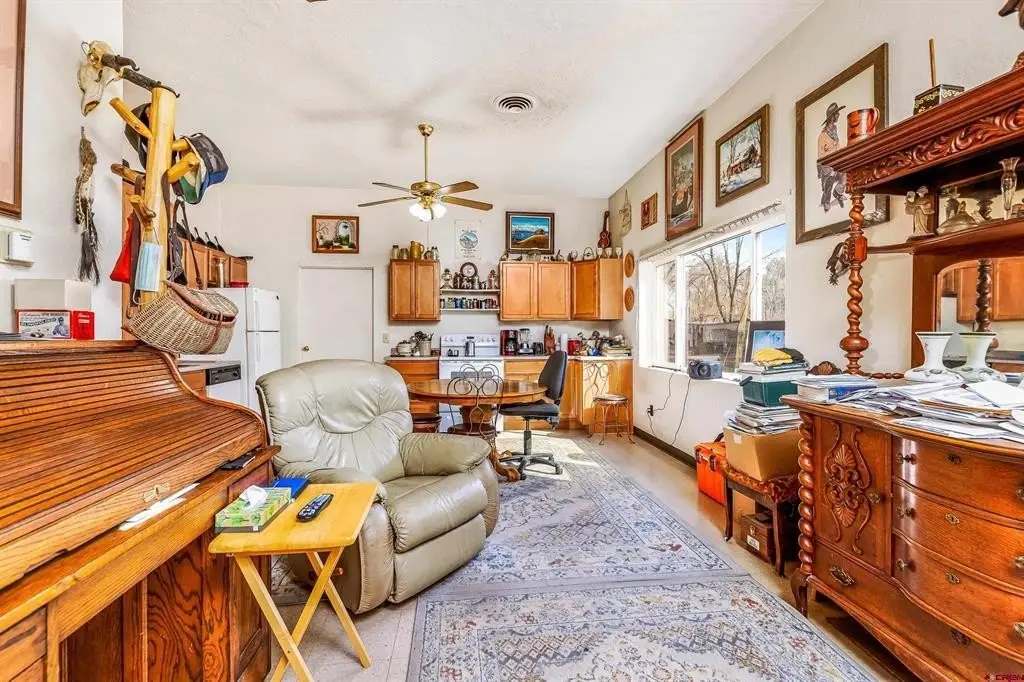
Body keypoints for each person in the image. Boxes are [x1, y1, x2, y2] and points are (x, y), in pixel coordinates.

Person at [817, 102, 846, 212]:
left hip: (837, 162)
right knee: (831, 176)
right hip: (827, 166)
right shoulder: (823, 136)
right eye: (836, 113)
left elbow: (838, 147)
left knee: (846, 174)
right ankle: (826, 201)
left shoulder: (835, 130)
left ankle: (837, 192)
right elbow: (821, 156)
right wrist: (827, 168)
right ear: (832, 116)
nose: (838, 115)